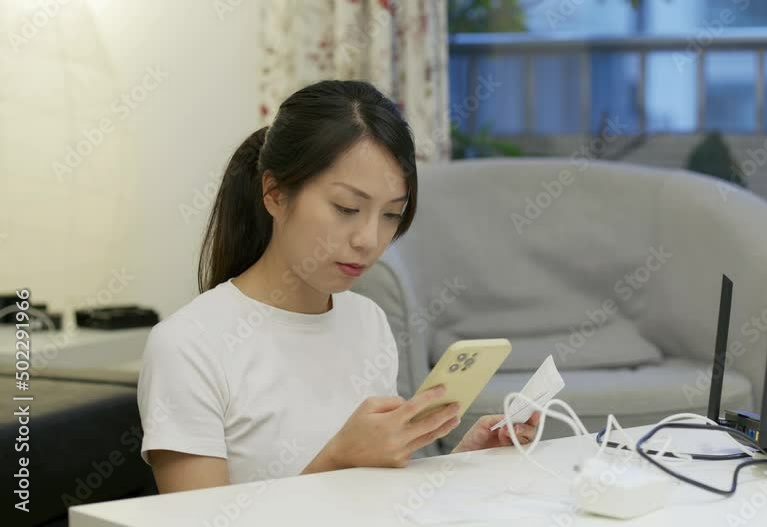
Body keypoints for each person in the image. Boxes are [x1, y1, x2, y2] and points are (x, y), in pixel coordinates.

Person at [137, 80, 541, 494]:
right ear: (275, 194)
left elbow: (378, 503)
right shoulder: (188, 345)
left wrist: (468, 460)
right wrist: (337, 460)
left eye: (391, 215)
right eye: (347, 208)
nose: (368, 239)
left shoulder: (367, 321)